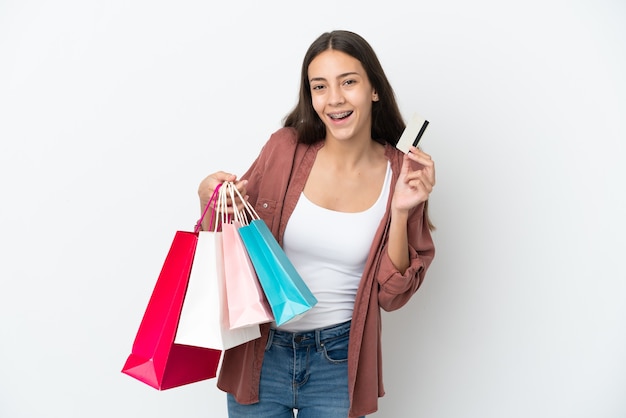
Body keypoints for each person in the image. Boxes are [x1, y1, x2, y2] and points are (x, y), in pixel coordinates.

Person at [198, 29, 436, 418]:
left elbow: (392, 296)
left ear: (374, 89)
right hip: (261, 353)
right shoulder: (284, 148)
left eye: (349, 82)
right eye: (320, 86)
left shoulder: (401, 172)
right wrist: (209, 197)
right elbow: (230, 237)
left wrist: (400, 211)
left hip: (338, 363)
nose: (335, 98)